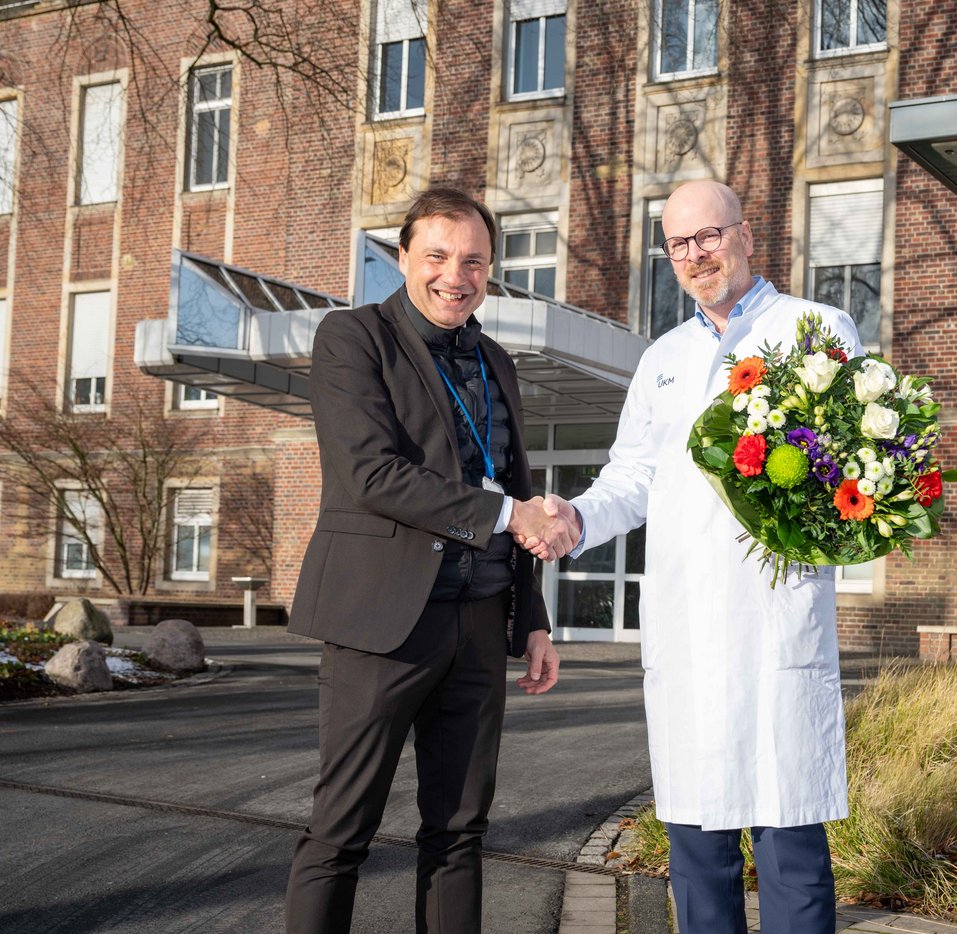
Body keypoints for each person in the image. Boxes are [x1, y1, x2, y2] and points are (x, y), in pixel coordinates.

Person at [527, 179, 862, 933]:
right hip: (687, 628)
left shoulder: (817, 328)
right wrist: (576, 516)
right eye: (680, 244)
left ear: (746, 235)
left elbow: (850, 466)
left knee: (790, 851)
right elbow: (633, 479)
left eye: (709, 236)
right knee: (697, 854)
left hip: (775, 623)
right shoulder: (663, 358)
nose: (696, 255)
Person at [284, 187, 574, 934]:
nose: (457, 274)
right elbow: (372, 475)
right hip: (381, 623)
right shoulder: (352, 339)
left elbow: (516, 486)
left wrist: (532, 619)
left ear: (491, 270)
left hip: (478, 622)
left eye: (474, 260)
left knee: (459, 834)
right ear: (403, 257)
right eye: (438, 256)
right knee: (341, 832)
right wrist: (512, 515)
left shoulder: (496, 361)